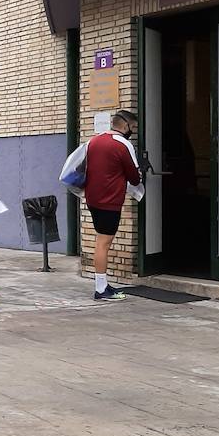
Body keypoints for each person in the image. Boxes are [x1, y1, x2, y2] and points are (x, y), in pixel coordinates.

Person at [85, 110, 142, 301]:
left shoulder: (94, 141)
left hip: (93, 198)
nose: (133, 130)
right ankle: (101, 289)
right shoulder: (123, 144)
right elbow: (134, 176)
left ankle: (102, 284)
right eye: (133, 127)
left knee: (101, 240)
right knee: (104, 243)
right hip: (109, 200)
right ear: (125, 125)